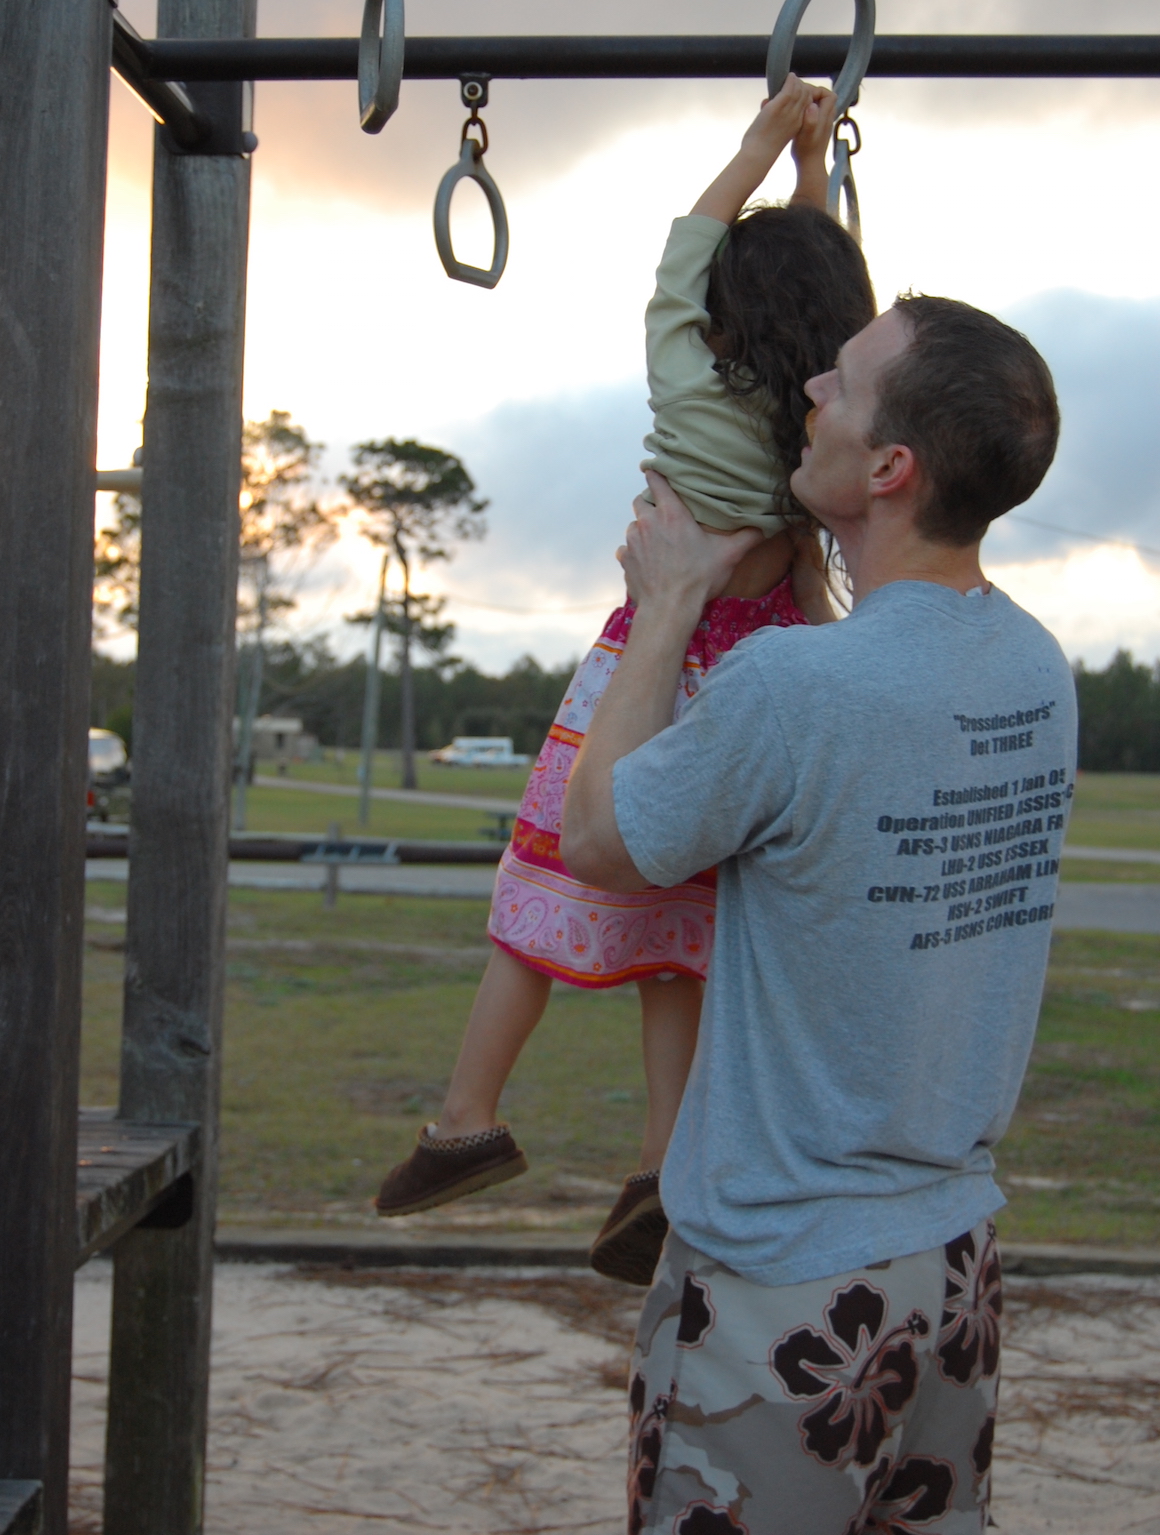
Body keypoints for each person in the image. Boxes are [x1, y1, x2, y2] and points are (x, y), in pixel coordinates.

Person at [561, 284, 1074, 1532]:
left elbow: (598, 839)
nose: (808, 392)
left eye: (838, 384)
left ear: (890, 466)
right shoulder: (1036, 666)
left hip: (785, 1282)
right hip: (955, 1267)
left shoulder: (791, 683)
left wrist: (669, 595)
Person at [373, 76, 877, 1284]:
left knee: (540, 877)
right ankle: (658, 1165)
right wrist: (817, 183)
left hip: (653, 649)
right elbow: (833, 298)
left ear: (715, 310)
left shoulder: (686, 376)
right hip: (756, 665)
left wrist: (763, 143)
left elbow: (683, 248)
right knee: (681, 934)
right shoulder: (817, 426)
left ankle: (466, 1113)